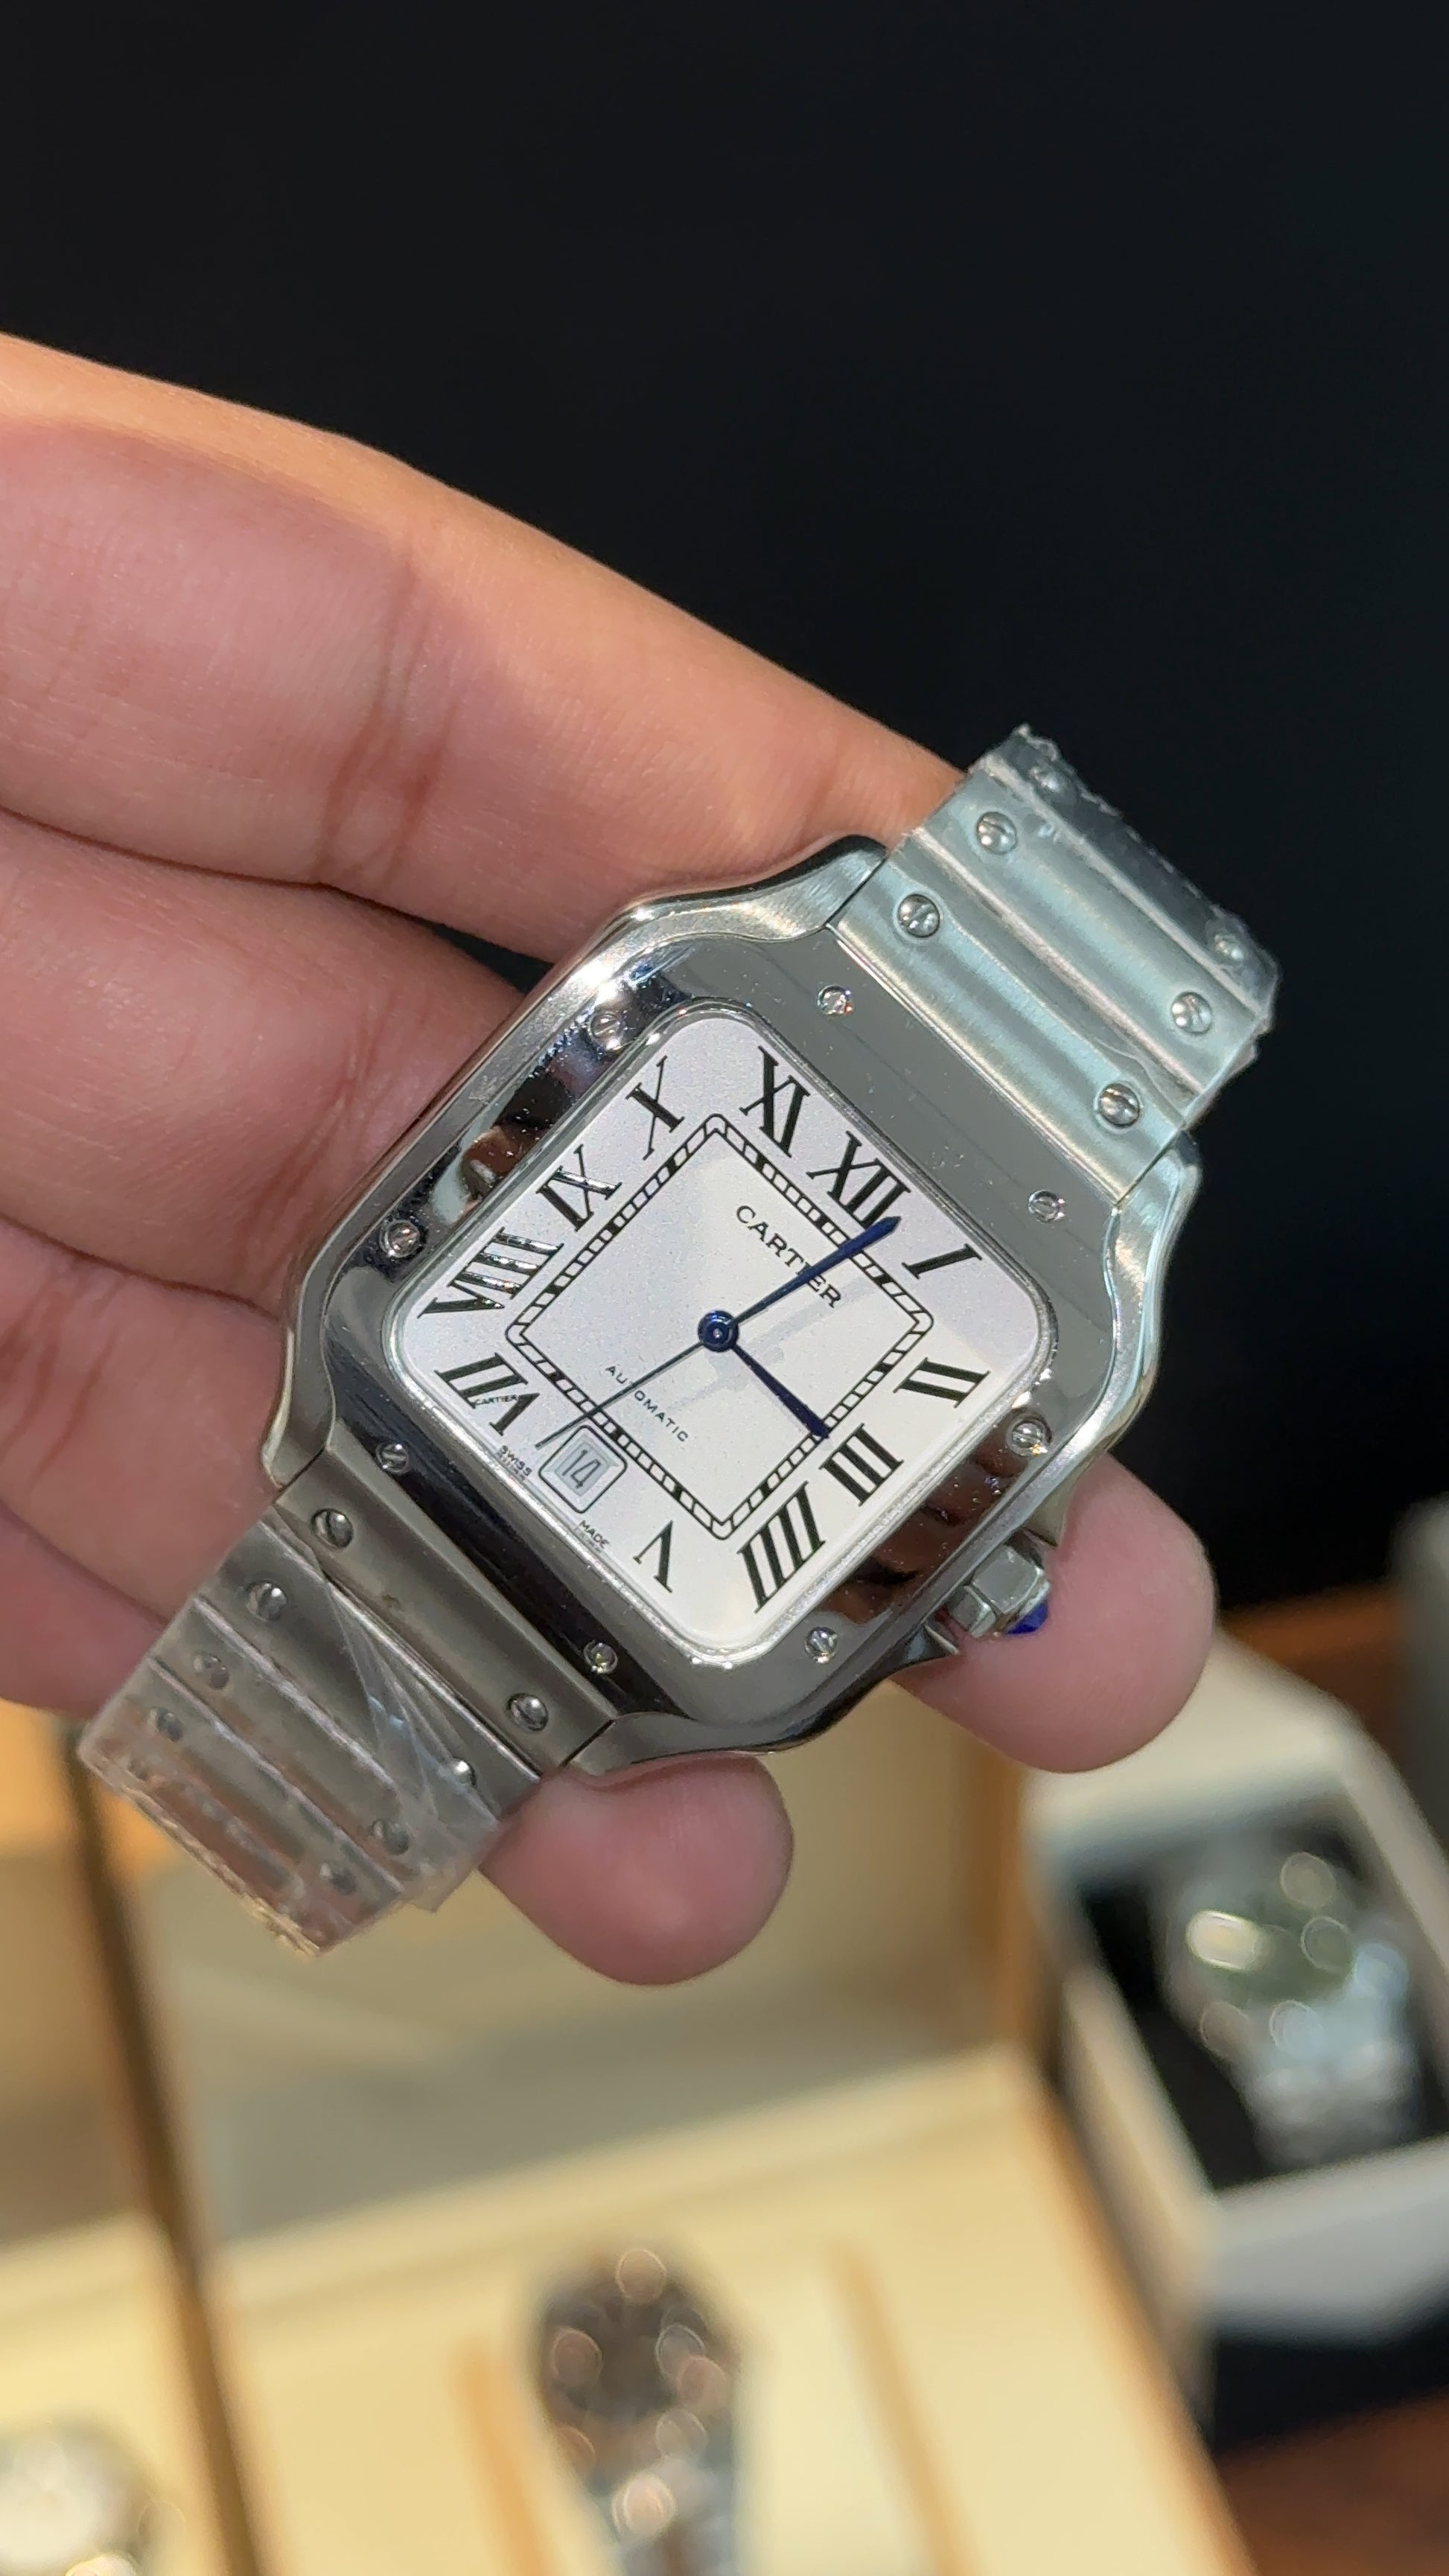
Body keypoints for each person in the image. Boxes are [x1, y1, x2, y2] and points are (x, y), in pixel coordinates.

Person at [0, 332, 1213, 1982]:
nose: (720, 1328)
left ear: (963, 1586)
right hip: (392, 1458)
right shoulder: (713, 978)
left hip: (538, 1603)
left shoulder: (1083, 1306)